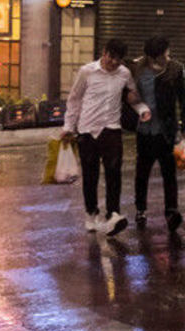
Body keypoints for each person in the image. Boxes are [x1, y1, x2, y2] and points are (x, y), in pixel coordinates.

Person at [62, 39, 150, 237]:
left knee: (114, 173)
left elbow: (132, 97)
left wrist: (142, 110)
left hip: (111, 129)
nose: (113, 63)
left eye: (118, 60)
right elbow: (74, 99)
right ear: (104, 53)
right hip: (87, 130)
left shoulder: (125, 74)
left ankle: (113, 214)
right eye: (111, 57)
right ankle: (91, 214)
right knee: (90, 175)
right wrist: (68, 126)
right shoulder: (87, 72)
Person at [129, 36, 185, 232]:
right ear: (151, 57)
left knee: (169, 173)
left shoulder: (175, 69)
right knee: (142, 172)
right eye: (163, 56)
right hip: (144, 130)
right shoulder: (136, 68)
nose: (167, 58)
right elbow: (128, 95)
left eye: (167, 54)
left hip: (166, 130)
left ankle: (171, 211)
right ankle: (140, 209)